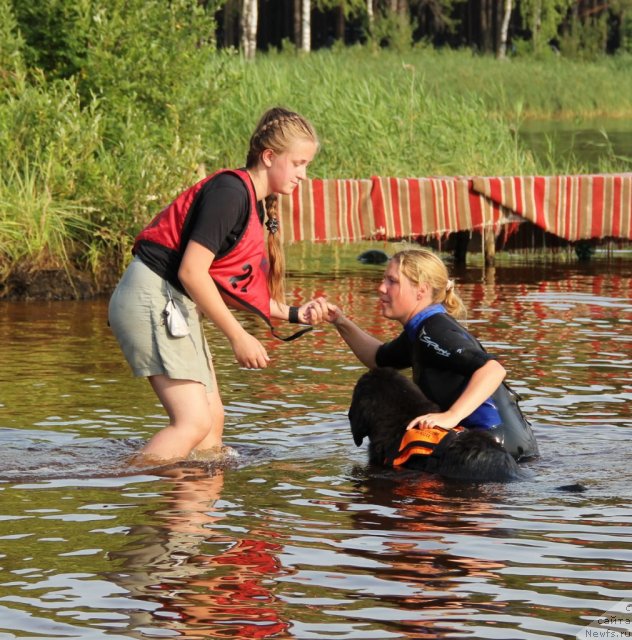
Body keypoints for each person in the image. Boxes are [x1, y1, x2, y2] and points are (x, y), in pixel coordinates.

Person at [108, 107, 324, 462]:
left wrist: (298, 314)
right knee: (192, 423)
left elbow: (228, 288)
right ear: (269, 157)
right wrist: (238, 336)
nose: (303, 174)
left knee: (212, 425)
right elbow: (191, 273)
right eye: (298, 163)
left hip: (171, 301)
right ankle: (115, 486)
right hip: (153, 295)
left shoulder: (252, 205)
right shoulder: (230, 193)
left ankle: (193, 516)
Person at [316, 248, 538, 459]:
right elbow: (378, 358)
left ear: (421, 290)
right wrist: (339, 321)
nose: (381, 288)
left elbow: (492, 369)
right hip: (497, 448)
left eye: (392, 281)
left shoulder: (433, 331)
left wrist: (451, 416)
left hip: (496, 447)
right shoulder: (420, 330)